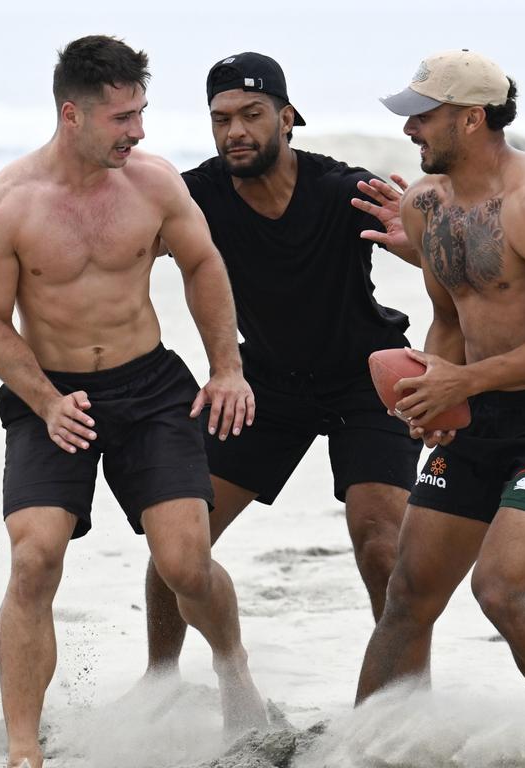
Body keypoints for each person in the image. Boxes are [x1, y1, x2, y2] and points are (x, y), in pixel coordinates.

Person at [0, 35, 266, 768]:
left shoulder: (155, 184)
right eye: (122, 117)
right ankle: (24, 749)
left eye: (141, 112)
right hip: (52, 396)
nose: (138, 131)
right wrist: (43, 399)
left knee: (187, 561)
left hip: (150, 388)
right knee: (34, 559)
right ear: (74, 115)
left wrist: (227, 368)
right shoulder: (4, 206)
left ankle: (233, 670)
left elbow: (202, 264)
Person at [354, 50, 525, 735]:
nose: (410, 130)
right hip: (480, 416)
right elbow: (450, 317)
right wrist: (436, 406)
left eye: (425, 116)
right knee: (408, 594)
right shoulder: (425, 206)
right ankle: (372, 744)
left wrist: (465, 380)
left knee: (502, 590)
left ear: (473, 119)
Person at [143, 52, 422, 675]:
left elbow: (444, 268)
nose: (235, 130)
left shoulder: (344, 190)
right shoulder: (193, 197)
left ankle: (405, 693)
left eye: (252, 114)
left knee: (380, 540)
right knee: (177, 541)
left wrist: (421, 247)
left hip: (366, 379)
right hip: (261, 384)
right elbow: (118, 253)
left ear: (287, 117)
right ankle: (160, 679)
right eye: (221, 119)